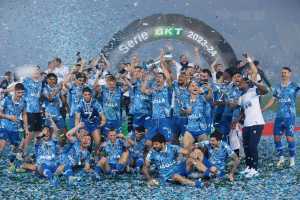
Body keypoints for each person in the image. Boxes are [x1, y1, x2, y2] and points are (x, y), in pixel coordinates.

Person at [262, 67, 300, 167]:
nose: (283, 74)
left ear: (290, 74)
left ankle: (292, 159)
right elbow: (273, 99)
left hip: (290, 116)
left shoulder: (295, 86)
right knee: (277, 138)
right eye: (282, 73)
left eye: (285, 73)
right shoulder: (278, 87)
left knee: (289, 138)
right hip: (279, 116)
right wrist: (264, 108)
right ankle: (281, 158)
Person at [238, 77, 268, 178]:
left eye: (242, 82)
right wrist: (237, 120)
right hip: (247, 124)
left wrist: (255, 82)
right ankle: (249, 167)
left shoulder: (253, 91)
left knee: (252, 146)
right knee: (246, 147)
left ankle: (255, 169)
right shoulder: (241, 96)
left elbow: (265, 90)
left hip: (257, 123)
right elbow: (243, 111)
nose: (240, 84)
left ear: (247, 83)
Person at [19, 66, 43, 156]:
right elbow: (17, 86)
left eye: (38, 70)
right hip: (28, 111)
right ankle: (24, 153)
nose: (36, 72)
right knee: (29, 134)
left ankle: (36, 153)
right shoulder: (26, 80)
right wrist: (4, 90)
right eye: (34, 70)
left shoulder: (40, 82)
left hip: (37, 112)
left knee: (38, 133)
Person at [182, 80, 212, 150]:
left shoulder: (202, 97)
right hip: (190, 130)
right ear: (188, 89)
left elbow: (209, 98)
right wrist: (186, 111)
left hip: (202, 131)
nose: (195, 87)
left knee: (203, 151)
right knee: (186, 150)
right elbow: (181, 112)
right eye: (192, 86)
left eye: (196, 86)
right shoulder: (185, 99)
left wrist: (210, 90)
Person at [0, 83, 27, 154]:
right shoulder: (6, 99)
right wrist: (8, 116)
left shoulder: (24, 101)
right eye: (18, 92)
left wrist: (26, 128)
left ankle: (11, 162)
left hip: (16, 127)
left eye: (22, 92)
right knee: (2, 146)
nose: (20, 94)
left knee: (16, 148)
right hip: (4, 126)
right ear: (14, 91)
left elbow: (24, 114)